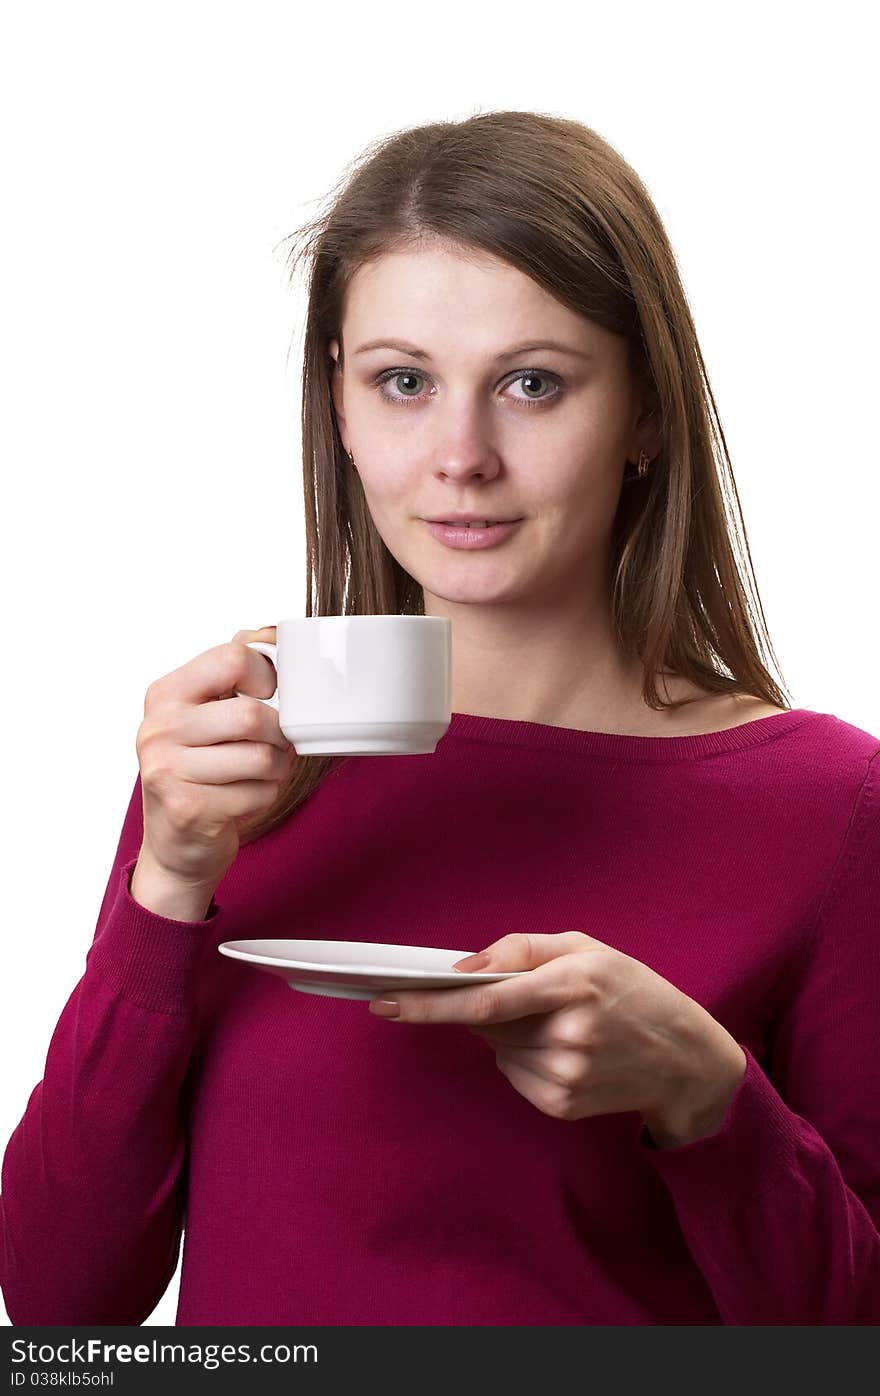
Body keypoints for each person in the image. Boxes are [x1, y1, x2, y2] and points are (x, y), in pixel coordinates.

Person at [2, 110, 878, 1327]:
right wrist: (165, 881)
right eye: (403, 382)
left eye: (531, 383)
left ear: (646, 414)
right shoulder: (236, 766)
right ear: (342, 409)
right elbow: (60, 1304)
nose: (459, 454)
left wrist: (708, 1099)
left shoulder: (828, 803)